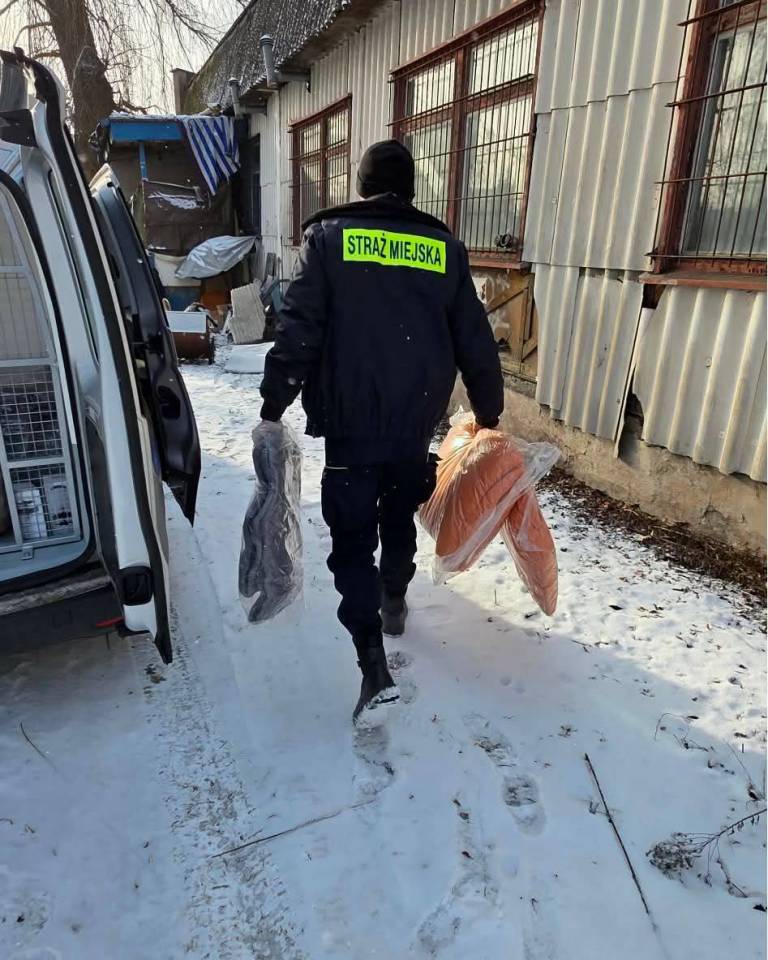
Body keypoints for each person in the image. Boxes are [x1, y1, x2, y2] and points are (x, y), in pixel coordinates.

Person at [260, 139, 504, 722]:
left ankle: (371, 658)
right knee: (398, 510)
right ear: (411, 190)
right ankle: (394, 597)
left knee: (352, 538)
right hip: (413, 419)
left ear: (363, 186)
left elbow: (299, 328)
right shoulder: (443, 249)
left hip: (350, 424)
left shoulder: (329, 239)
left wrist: (274, 402)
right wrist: (488, 410)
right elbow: (474, 337)